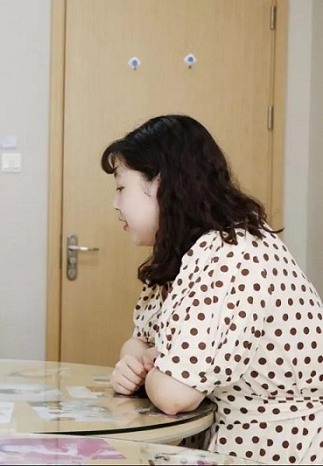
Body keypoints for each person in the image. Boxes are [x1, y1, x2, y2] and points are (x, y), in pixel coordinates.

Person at [102, 114, 323, 463]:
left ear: (160, 183)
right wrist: (142, 363)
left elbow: (175, 394)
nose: (115, 204)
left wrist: (148, 366)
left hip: (275, 448)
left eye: (120, 188)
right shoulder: (187, 251)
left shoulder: (231, 253)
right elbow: (140, 343)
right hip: (223, 441)